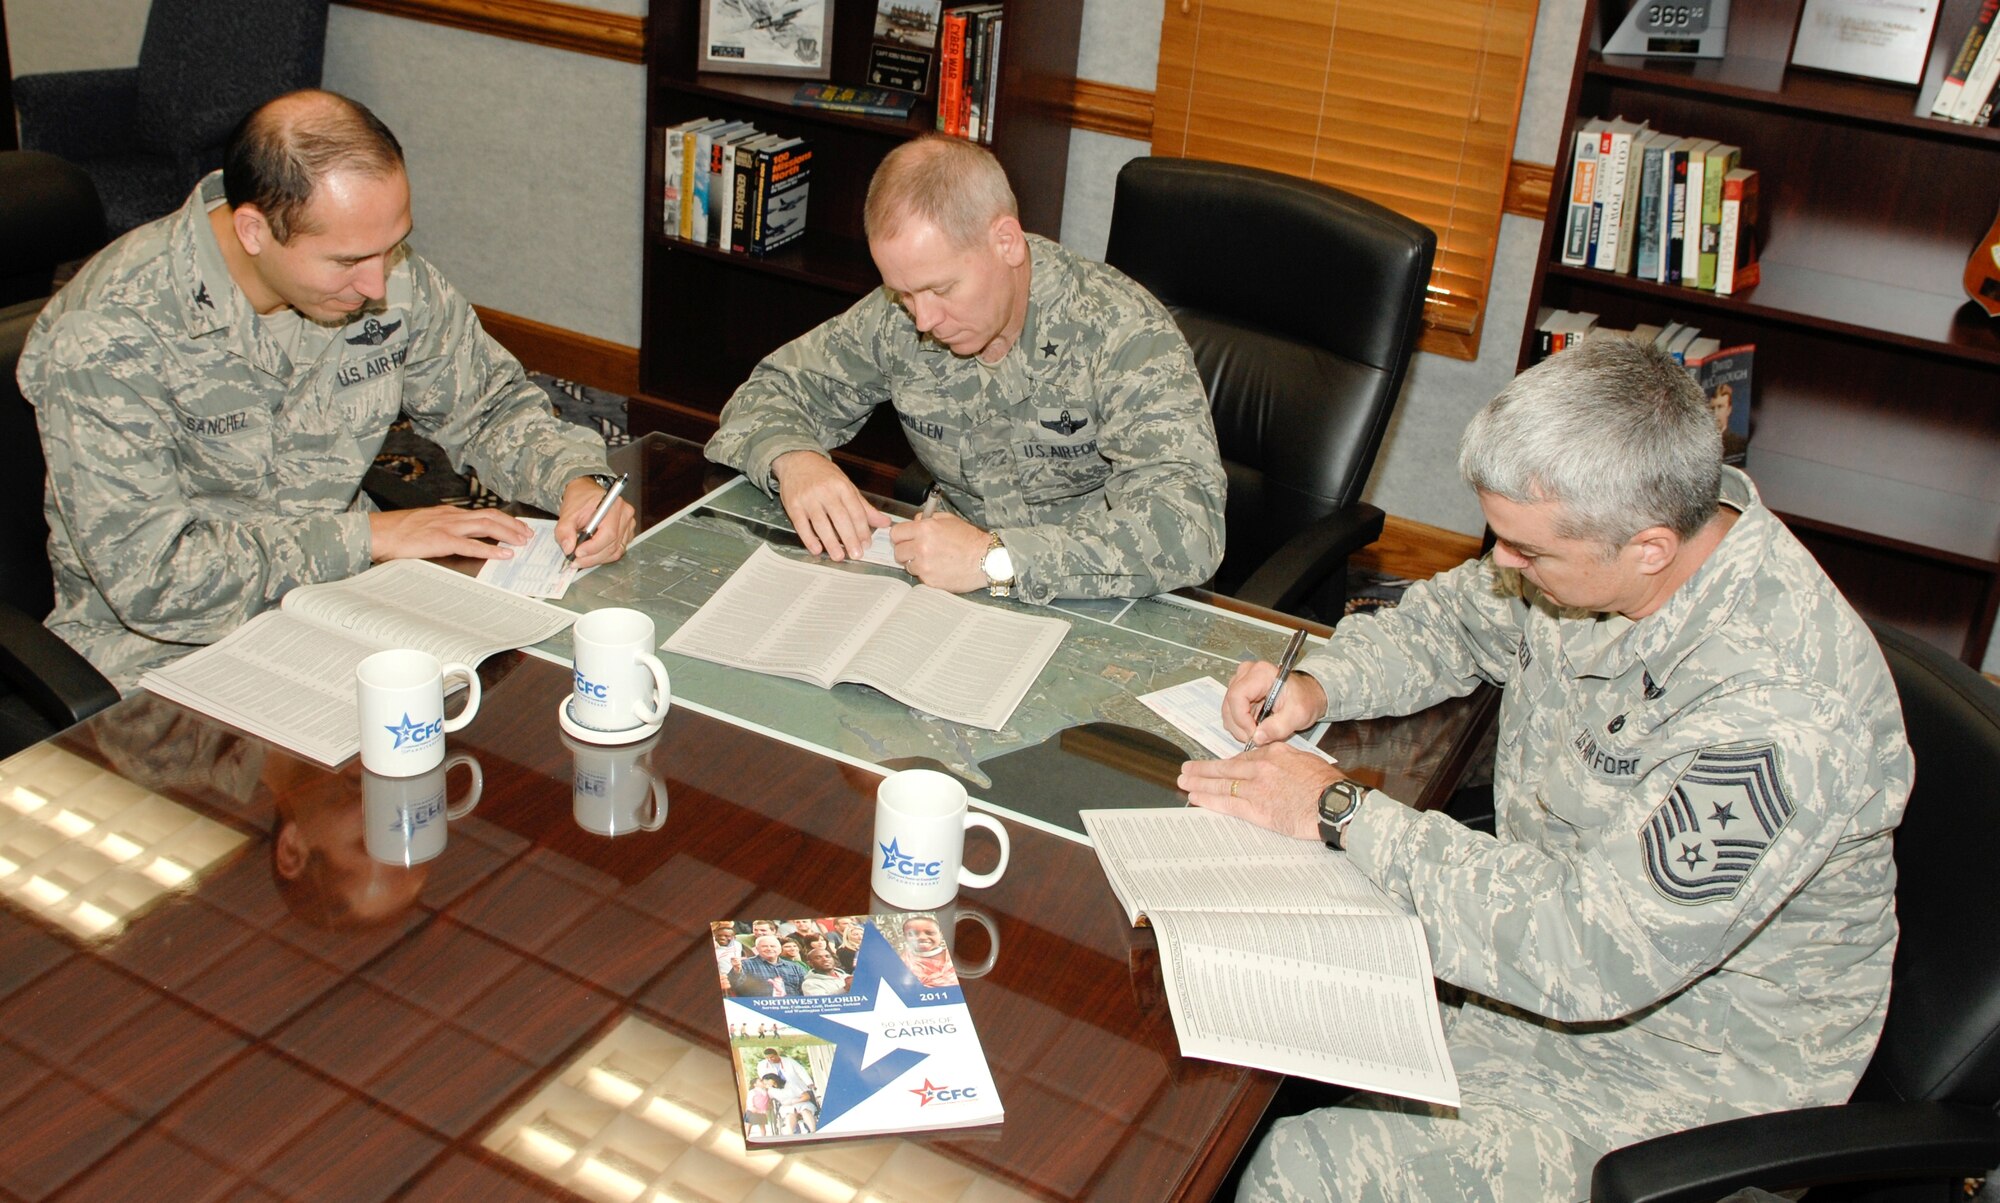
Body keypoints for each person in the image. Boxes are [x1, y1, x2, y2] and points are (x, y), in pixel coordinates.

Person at [1177, 338, 1912, 1200]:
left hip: (1677, 1084)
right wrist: (1317, 684)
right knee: (1226, 1027)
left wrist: (1341, 811)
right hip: (1523, 990)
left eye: (1530, 553)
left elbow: (1591, 947)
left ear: (1648, 546)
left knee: (1293, 1172)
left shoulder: (1785, 713)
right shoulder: (1601, 555)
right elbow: (1454, 621)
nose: (1503, 566)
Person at [16, 89, 637, 691]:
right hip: (162, 658)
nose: (377, 284)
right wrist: (369, 538)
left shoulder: (380, 271)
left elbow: (489, 405)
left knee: (536, 702)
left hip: (346, 609)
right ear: (254, 231)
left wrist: (575, 481)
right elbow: (154, 581)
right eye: (347, 262)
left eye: (391, 246)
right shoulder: (111, 331)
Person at [705, 134, 1225, 605]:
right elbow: (771, 390)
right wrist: (795, 461)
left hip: (1100, 598)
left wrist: (995, 559)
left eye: (941, 289)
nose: (925, 319)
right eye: (904, 293)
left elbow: (1188, 527)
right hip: (945, 591)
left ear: (1006, 241)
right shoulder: (899, 317)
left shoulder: (1120, 332)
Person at [734, 934, 807, 996]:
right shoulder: (745, 965)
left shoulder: (795, 967)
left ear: (780, 949)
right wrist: (737, 971)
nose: (769, 949)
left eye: (773, 946)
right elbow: (737, 986)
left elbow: (805, 988)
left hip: (791, 1007)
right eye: (764, 946)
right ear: (757, 949)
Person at [898, 914, 957, 987]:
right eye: (913, 934)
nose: (922, 937)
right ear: (905, 936)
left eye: (930, 933)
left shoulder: (953, 956)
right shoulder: (902, 961)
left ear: (941, 934)